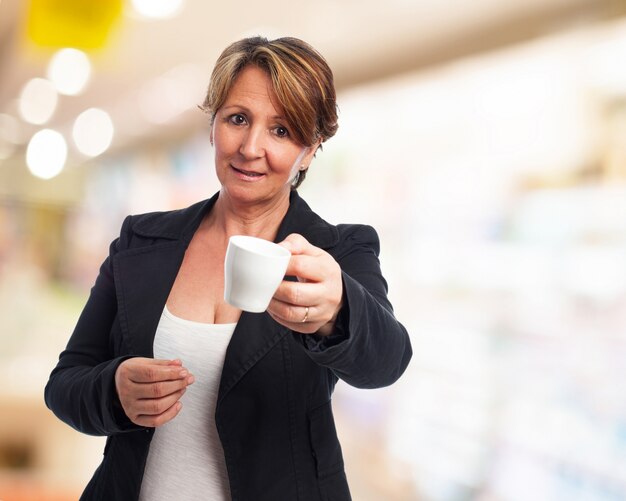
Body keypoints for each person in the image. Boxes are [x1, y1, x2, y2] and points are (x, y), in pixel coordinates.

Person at [44, 36, 412, 501]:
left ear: (311, 149)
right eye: (238, 119)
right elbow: (66, 382)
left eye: (281, 131)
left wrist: (339, 310)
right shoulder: (142, 242)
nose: (251, 147)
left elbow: (386, 362)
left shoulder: (337, 253)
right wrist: (113, 390)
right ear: (213, 125)